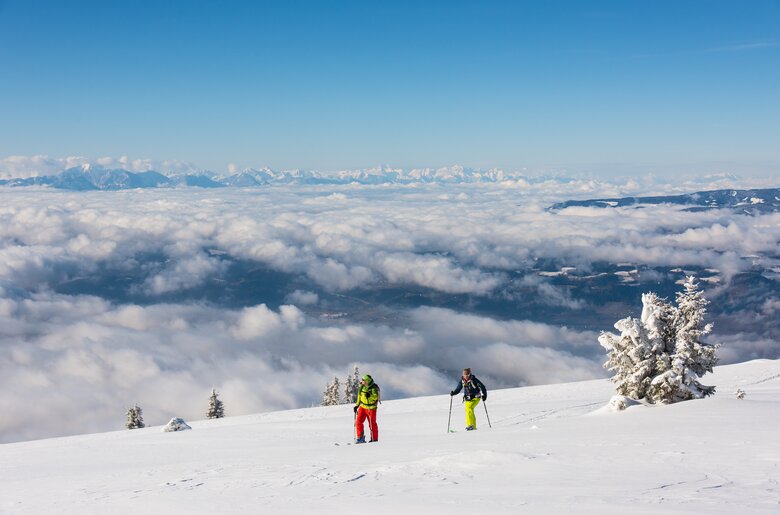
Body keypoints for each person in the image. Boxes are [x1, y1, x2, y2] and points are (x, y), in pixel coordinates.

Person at [353, 374, 380, 443]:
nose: (362, 381)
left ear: (367, 381)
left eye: (363, 380)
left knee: (372, 424)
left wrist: (370, 395)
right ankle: (360, 438)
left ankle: (374, 439)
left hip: (371, 408)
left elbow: (375, 397)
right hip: (362, 407)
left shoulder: (373, 388)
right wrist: (357, 406)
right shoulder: (362, 387)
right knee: (358, 422)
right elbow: (359, 397)